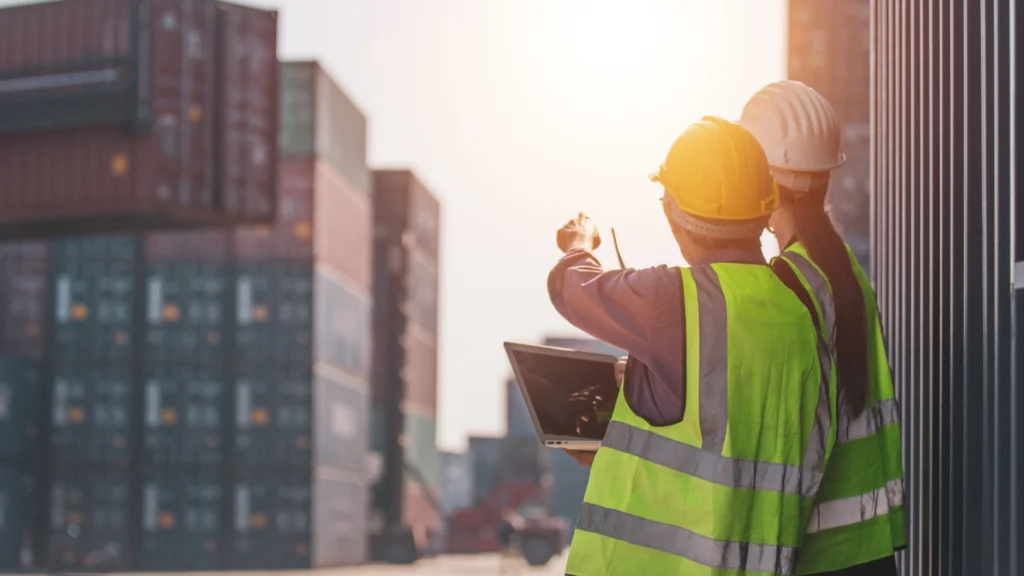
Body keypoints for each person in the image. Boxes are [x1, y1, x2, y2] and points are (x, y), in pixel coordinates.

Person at [549, 116, 837, 575]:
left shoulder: (673, 299)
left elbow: (571, 288)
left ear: (672, 213)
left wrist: (579, 242)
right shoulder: (799, 312)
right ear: (765, 208)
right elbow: (729, 446)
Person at [739, 80, 905, 576]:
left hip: (818, 552)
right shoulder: (845, 269)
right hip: (868, 545)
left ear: (761, 180)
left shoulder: (792, 281)